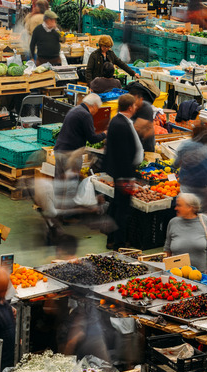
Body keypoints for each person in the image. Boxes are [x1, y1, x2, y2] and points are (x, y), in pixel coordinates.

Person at [104, 94, 142, 250]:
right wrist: (128, 177)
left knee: (116, 205)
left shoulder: (118, 120)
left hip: (120, 172)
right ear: (130, 107)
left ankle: (112, 239)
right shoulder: (120, 124)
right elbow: (123, 153)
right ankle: (119, 243)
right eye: (134, 105)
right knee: (122, 210)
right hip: (124, 174)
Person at [53, 93, 105, 186]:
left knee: (59, 183)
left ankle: (56, 201)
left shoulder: (74, 110)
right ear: (94, 105)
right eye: (98, 108)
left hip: (59, 150)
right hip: (71, 154)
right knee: (71, 186)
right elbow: (92, 139)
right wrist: (104, 134)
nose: (97, 111)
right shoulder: (86, 115)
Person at [165, 193, 207, 274]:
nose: (175, 208)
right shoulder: (173, 223)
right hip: (177, 274)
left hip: (200, 274)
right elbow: (167, 249)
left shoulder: (204, 221)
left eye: (179, 205)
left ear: (189, 207)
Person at [175, 124, 207, 216]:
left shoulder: (186, 145)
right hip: (206, 189)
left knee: (186, 213)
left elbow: (176, 164)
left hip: (188, 186)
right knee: (204, 216)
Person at [126, 80, 158, 153]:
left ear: (140, 98)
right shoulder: (128, 106)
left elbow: (137, 129)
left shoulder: (145, 108)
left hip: (145, 148)